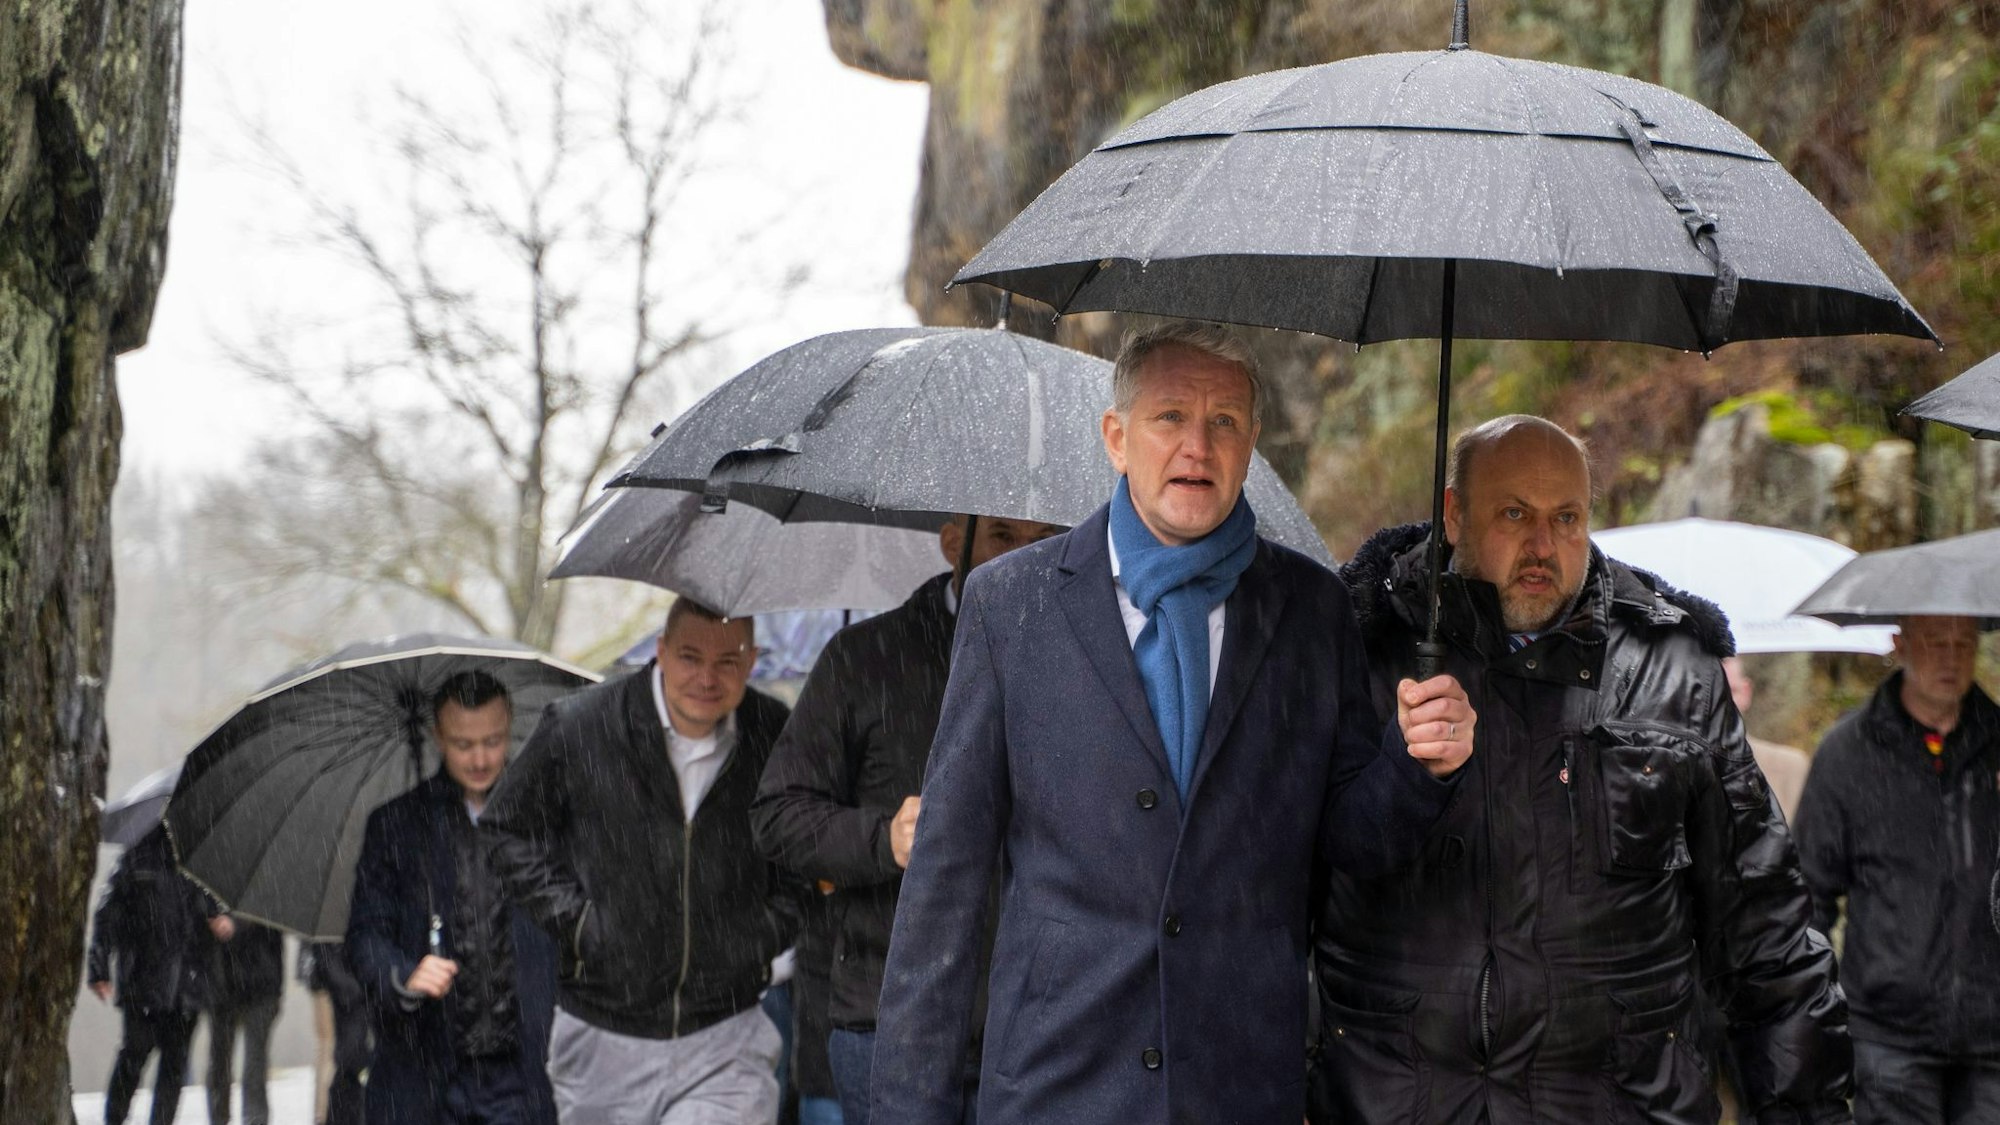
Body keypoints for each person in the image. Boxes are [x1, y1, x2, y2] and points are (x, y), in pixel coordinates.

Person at [868, 320, 1474, 1125]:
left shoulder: (1312, 608)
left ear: (1252, 443)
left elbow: (1351, 841)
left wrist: (1416, 765)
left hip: (1239, 1087)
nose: (1198, 445)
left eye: (1224, 421)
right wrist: (910, 1109)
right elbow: (946, 882)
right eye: (1170, 417)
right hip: (1057, 1088)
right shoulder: (1010, 604)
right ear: (1116, 438)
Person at [1316, 414, 1851, 1124]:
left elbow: (1765, 933)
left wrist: (1808, 1113)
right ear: (1454, 514)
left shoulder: (1674, 672)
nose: (1543, 546)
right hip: (1393, 1102)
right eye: (1515, 514)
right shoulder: (1356, 648)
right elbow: (1279, 897)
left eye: (1566, 518)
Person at [753, 512, 1062, 1124]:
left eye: (1045, 541)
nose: (1022, 556)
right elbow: (777, 815)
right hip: (890, 1022)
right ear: (954, 543)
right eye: (1002, 536)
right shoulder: (862, 658)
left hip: (1038, 1025)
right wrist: (883, 839)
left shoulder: (1086, 660)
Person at [484, 600, 804, 1123]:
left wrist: (767, 930)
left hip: (728, 1031)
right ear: (660, 652)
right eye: (690, 657)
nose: (707, 678)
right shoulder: (582, 725)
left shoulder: (773, 732)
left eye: (727, 661)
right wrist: (581, 923)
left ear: (752, 661)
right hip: (604, 1033)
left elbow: (801, 841)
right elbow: (506, 830)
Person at [1795, 614, 2000, 1124]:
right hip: (1888, 1032)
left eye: (1963, 643)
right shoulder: (1848, 751)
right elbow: (1808, 894)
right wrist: (1813, 1010)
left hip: (1992, 1027)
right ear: (1899, 644)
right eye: (1934, 642)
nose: (1950, 657)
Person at [346, 670, 559, 1124]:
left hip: (525, 1071)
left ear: (509, 728)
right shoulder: (397, 826)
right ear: (438, 737)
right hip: (427, 1071)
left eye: (493, 741)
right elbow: (364, 935)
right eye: (464, 744)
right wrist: (404, 975)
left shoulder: (544, 818)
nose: (480, 758)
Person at [86, 824, 214, 1125]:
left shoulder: (202, 861)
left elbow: (209, 913)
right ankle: (114, 1119)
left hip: (186, 984)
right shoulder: (137, 858)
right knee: (134, 1056)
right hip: (144, 979)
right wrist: (99, 966)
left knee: (173, 1066)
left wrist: (217, 918)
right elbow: (108, 915)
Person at [205, 913, 284, 1125]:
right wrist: (211, 921)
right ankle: (220, 1116)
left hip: (261, 981)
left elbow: (276, 916)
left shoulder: (270, 895)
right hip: (223, 980)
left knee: (254, 1060)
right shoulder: (210, 896)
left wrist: (236, 924)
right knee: (220, 1059)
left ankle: (254, 1118)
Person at [1723, 655, 1813, 822]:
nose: (1723, 703)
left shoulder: (1790, 768)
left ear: (1746, 692)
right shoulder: (1678, 771)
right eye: (1712, 693)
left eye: (1732, 691)